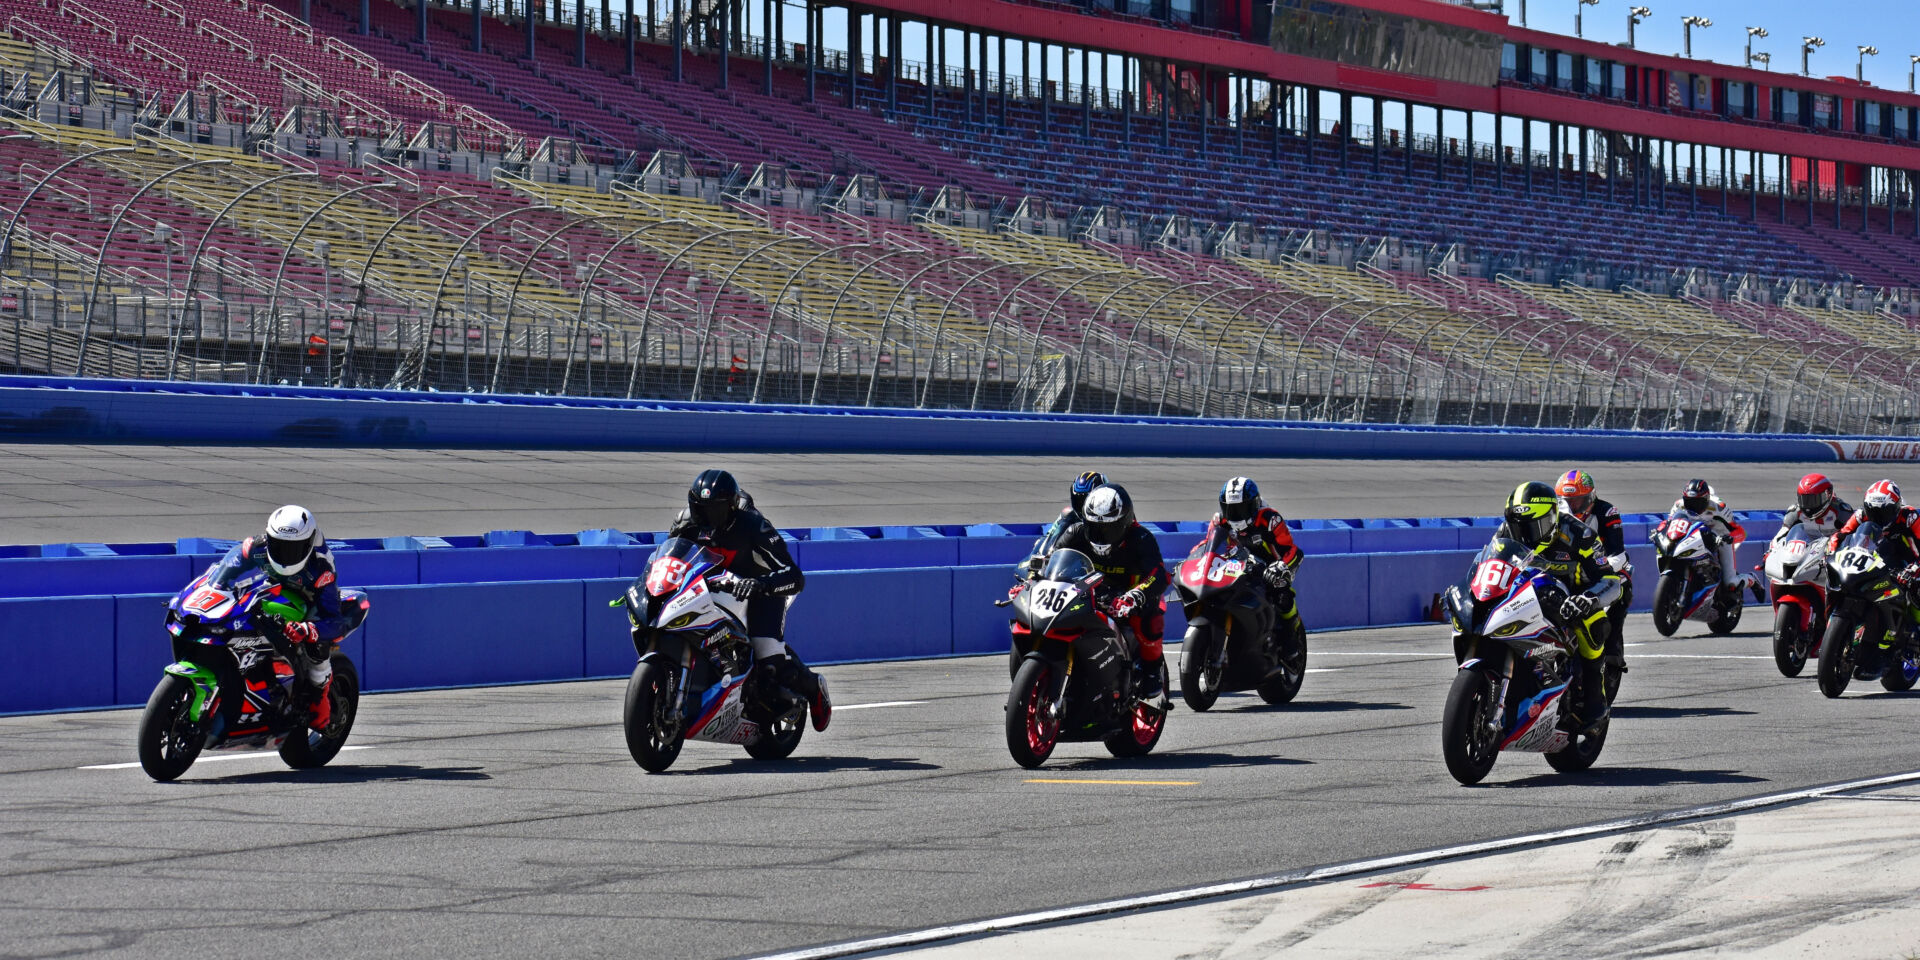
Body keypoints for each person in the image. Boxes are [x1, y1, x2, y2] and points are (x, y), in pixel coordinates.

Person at [667, 469, 831, 731]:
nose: (707, 518)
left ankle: (812, 687)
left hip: (757, 591)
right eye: (701, 509)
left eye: (716, 511)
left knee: (768, 659)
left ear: (731, 508)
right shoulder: (684, 522)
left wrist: (761, 585)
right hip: (708, 589)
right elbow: (670, 560)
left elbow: (794, 575)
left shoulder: (753, 524)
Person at [1495, 481, 1625, 731]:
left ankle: (1594, 697)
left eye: (1532, 526)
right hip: (1526, 593)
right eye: (1518, 525)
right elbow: (1489, 561)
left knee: (1594, 623)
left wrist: (1588, 599)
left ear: (1552, 518)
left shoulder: (1579, 534)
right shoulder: (1506, 530)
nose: (1523, 532)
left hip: (1572, 597)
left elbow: (1610, 581)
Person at [247, 505, 368, 732]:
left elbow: (334, 620)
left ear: (308, 543)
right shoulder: (257, 546)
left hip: (310, 598)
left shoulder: (322, 568)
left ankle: (320, 698)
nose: (284, 554)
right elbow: (226, 569)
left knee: (316, 647)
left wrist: (308, 629)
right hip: (274, 588)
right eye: (279, 546)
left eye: (292, 549)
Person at [1049, 484, 1171, 702]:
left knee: (1150, 621)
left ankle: (1153, 670)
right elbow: (1052, 561)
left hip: (1129, 596)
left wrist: (1137, 594)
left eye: (1108, 529)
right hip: (1087, 592)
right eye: (1094, 528)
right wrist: (1032, 579)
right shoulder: (1076, 533)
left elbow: (1158, 574)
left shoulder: (1141, 538)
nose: (1100, 535)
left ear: (1124, 523)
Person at [1828, 480, 1920, 676]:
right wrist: (1831, 550)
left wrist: (1913, 569)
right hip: (1874, 563)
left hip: (1907, 564)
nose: (1877, 517)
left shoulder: (1910, 517)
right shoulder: (1861, 515)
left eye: (1884, 512)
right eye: (1873, 511)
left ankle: (1914, 638)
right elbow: (1841, 535)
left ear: (1895, 508)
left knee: (1917, 592)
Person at [1210, 477, 1305, 641]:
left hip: (1270, 570)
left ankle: (1291, 644)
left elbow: (1292, 550)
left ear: (1253, 504)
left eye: (1241, 509)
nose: (1235, 515)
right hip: (1235, 570)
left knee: (1283, 597)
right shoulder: (1221, 520)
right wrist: (1194, 559)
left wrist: (1281, 567)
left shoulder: (1270, 519)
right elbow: (1208, 546)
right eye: (1230, 509)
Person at [1556, 470, 1631, 671]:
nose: (1573, 507)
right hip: (1566, 572)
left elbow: (1619, 553)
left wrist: (1602, 567)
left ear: (1590, 497)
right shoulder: (1555, 516)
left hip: (1600, 570)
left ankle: (1613, 649)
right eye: (1568, 501)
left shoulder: (1606, 512)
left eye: (1578, 501)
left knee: (1623, 585)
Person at [1667, 479, 1764, 604]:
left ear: (1706, 499)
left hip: (1720, 539)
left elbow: (1739, 531)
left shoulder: (1719, 508)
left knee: (1730, 582)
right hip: (1693, 537)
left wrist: (1728, 538)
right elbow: (1669, 524)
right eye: (1689, 502)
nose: (1693, 507)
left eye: (1697, 503)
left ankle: (1752, 579)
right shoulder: (1678, 505)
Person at [1023, 471, 1109, 577]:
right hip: (1075, 564)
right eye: (1078, 500)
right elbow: (1050, 538)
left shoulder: (1113, 518)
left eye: (1086, 500)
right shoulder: (1068, 515)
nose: (1081, 505)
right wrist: (1042, 556)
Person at [1775, 473, 1855, 542]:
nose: (1808, 506)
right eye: (1804, 500)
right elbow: (1779, 538)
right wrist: (1771, 551)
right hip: (1804, 556)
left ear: (1827, 495)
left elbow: (1855, 539)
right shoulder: (1795, 513)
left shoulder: (1842, 512)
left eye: (1813, 500)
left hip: (1832, 554)